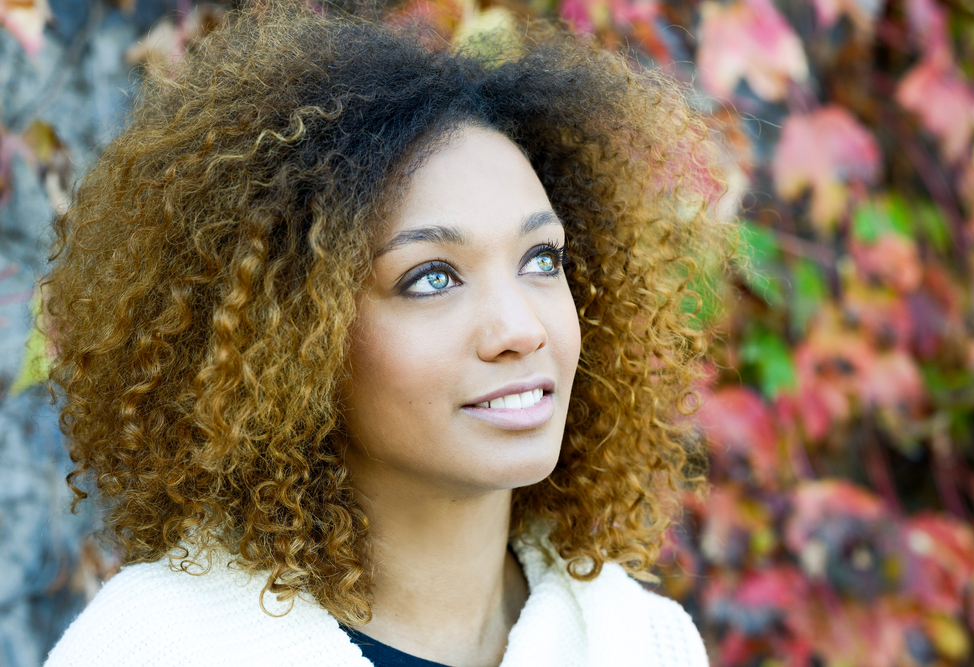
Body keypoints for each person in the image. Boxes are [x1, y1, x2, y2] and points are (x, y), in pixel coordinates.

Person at [41, 2, 727, 665]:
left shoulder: (641, 642)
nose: (520, 328)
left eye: (541, 260)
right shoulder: (154, 650)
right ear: (291, 336)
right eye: (432, 276)